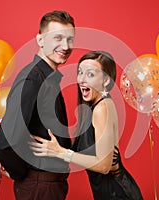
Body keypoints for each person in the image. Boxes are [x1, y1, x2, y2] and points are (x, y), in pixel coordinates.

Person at [29, 51, 143, 200]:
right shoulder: (93, 108)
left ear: (106, 80)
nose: (82, 79)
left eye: (90, 74)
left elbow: (104, 165)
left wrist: (60, 152)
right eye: (80, 73)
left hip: (118, 193)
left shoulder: (103, 108)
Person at [0, 10, 75, 200]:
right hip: (40, 186)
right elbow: (4, 143)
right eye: (58, 38)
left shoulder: (47, 78)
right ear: (40, 40)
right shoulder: (33, 79)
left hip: (48, 185)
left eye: (70, 39)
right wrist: (25, 175)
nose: (65, 46)